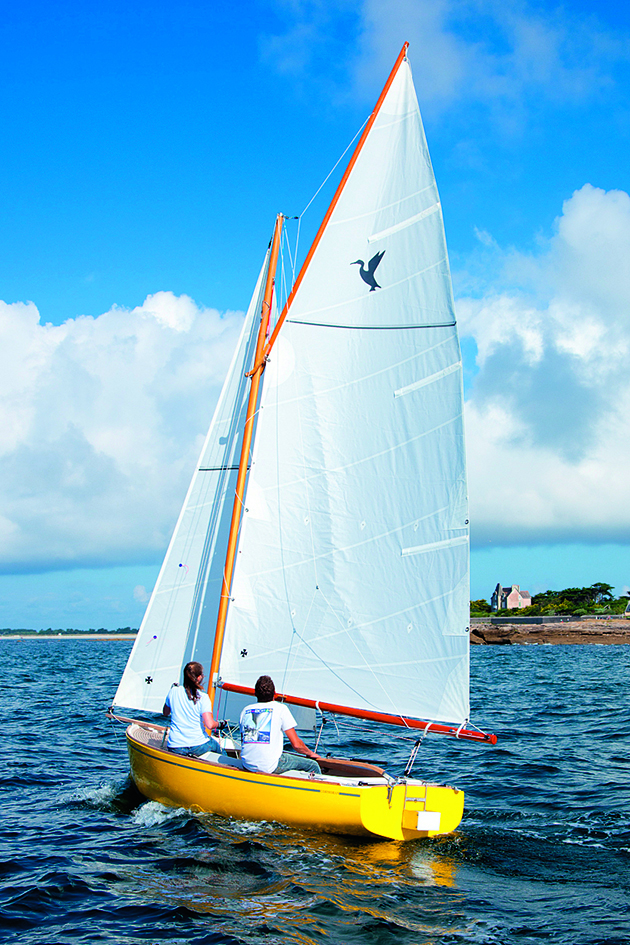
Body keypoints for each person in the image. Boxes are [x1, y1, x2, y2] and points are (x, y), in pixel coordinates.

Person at [239, 675, 321, 775]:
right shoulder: (281, 709)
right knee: (313, 766)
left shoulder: (245, 710)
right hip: (270, 767)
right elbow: (296, 745)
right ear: (274, 694)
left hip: (247, 764)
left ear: (255, 693)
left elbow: (245, 740)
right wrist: (310, 753)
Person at [163, 661, 223, 757]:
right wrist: (220, 723)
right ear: (199, 678)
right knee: (221, 753)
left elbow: (165, 713)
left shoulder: (173, 691)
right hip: (198, 745)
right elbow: (210, 725)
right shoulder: (203, 697)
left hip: (175, 745)